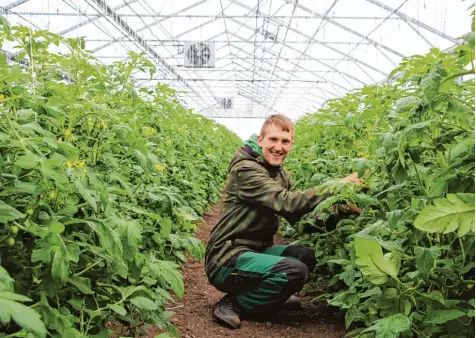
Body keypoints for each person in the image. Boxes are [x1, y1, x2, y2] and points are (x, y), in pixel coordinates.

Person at [204, 114, 363, 329]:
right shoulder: (245, 170)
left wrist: (342, 209)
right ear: (261, 140)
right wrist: (336, 186)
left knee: (305, 256)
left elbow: (302, 221)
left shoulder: (281, 175)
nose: (279, 147)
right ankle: (235, 303)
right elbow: (287, 202)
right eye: (273, 140)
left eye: (285, 141)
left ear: (291, 144)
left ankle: (270, 295)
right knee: (294, 270)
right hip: (226, 258)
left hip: (255, 253)